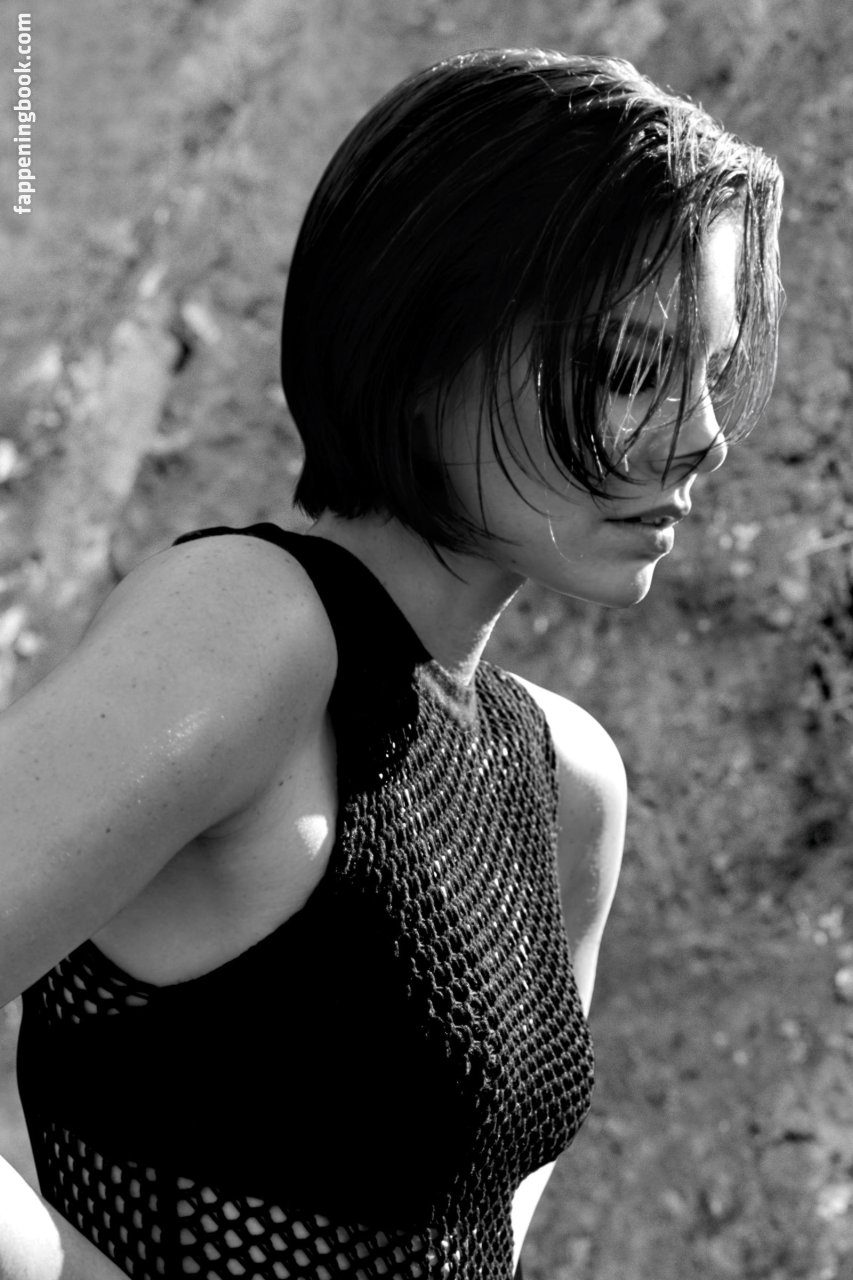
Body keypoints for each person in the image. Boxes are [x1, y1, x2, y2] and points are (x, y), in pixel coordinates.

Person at [1, 47, 782, 1280]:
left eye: (711, 369)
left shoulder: (569, 779)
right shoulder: (247, 624)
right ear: (424, 338)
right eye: (632, 366)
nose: (702, 435)